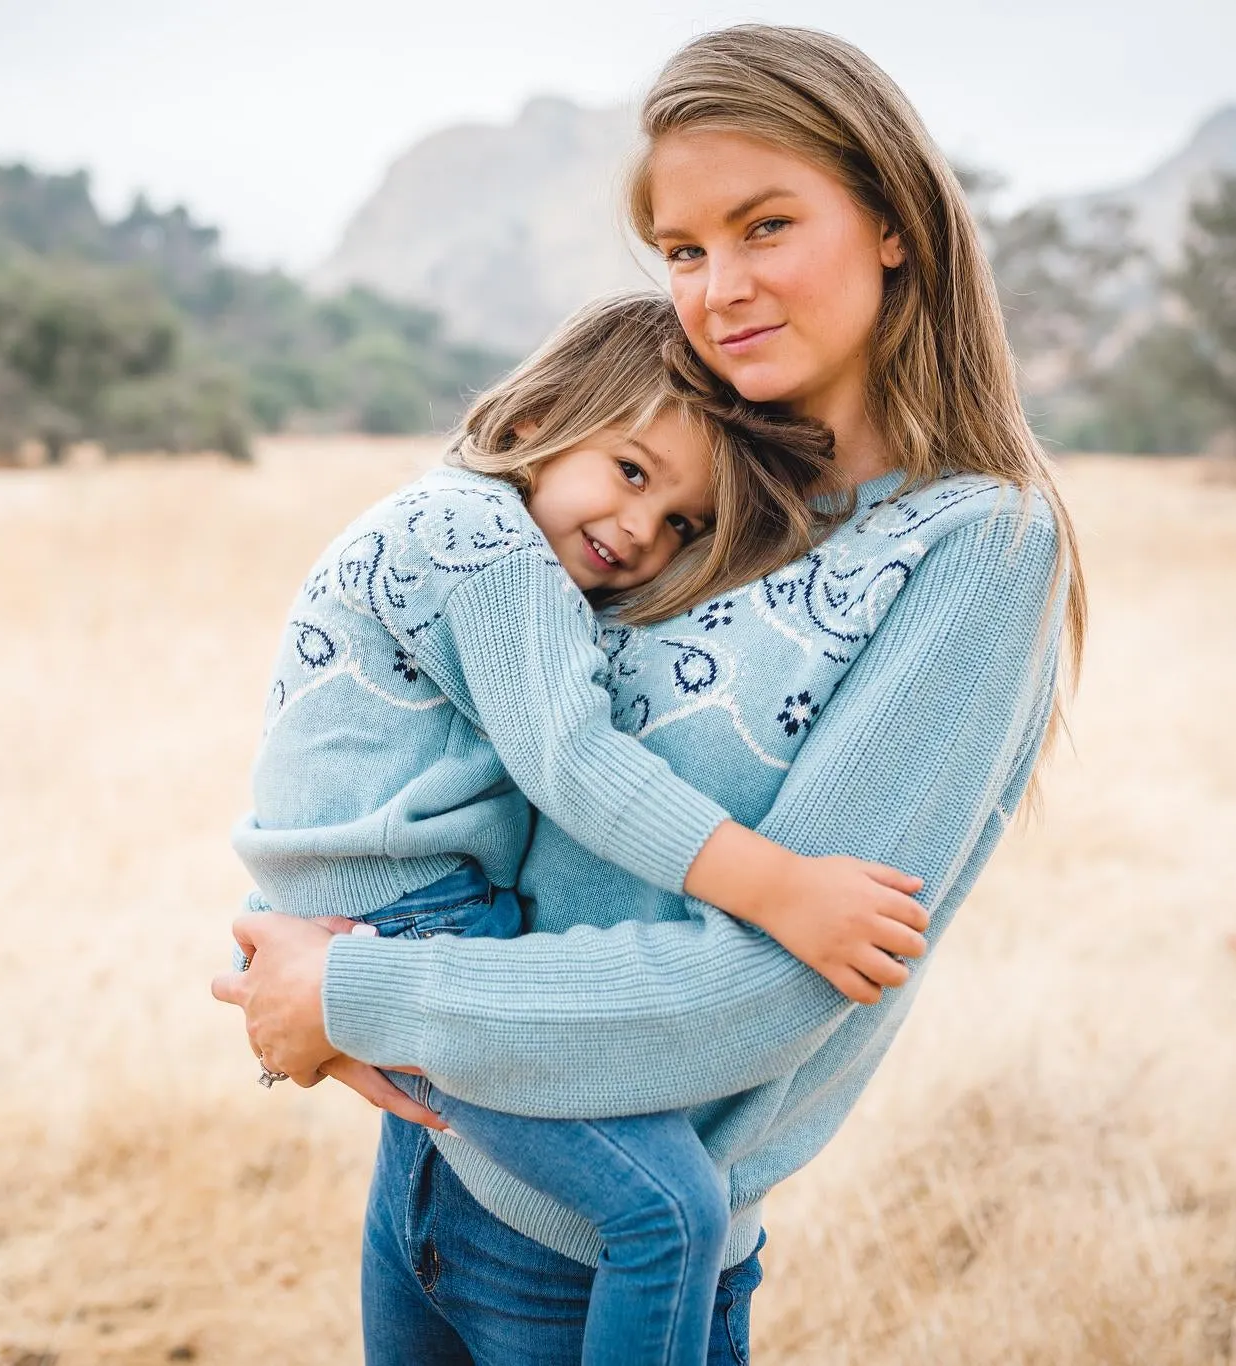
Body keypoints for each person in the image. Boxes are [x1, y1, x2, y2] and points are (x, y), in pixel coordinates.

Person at [213, 23, 1090, 1364]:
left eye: (766, 224)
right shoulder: (713, 482)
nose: (718, 286)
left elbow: (766, 983)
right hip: (432, 1169)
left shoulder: (974, 546)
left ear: (894, 221)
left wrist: (357, 993)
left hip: (597, 1258)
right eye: (684, 250)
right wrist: (320, 937)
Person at [230, 289, 932, 1366]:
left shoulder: (435, 519)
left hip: (361, 913)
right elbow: (577, 768)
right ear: (532, 422)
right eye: (632, 473)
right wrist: (782, 889)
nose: (637, 532)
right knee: (670, 1212)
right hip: (413, 926)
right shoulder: (482, 539)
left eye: (679, 525)